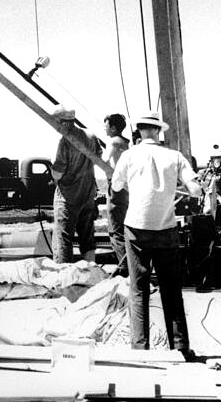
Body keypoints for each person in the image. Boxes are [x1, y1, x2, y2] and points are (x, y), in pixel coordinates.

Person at [111, 110, 203, 357]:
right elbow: (195, 190)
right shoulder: (174, 156)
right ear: (159, 130)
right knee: (171, 289)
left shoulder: (129, 155)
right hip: (166, 228)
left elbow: (116, 186)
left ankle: (141, 350)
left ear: (139, 130)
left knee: (138, 290)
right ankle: (181, 348)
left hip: (136, 228)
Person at [49, 105, 101, 265]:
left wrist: (55, 177)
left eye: (56, 123)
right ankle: (91, 272)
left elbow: (58, 172)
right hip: (88, 195)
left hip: (68, 197)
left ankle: (64, 278)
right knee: (87, 238)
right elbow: (98, 157)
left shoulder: (65, 141)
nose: (56, 127)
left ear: (63, 122)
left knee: (63, 239)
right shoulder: (91, 135)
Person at [103, 112, 131, 277]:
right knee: (124, 227)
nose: (104, 128)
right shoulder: (126, 143)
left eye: (106, 125)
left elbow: (104, 160)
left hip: (116, 187)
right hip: (126, 188)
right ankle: (127, 264)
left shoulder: (113, 142)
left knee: (115, 230)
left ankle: (124, 268)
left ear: (113, 127)